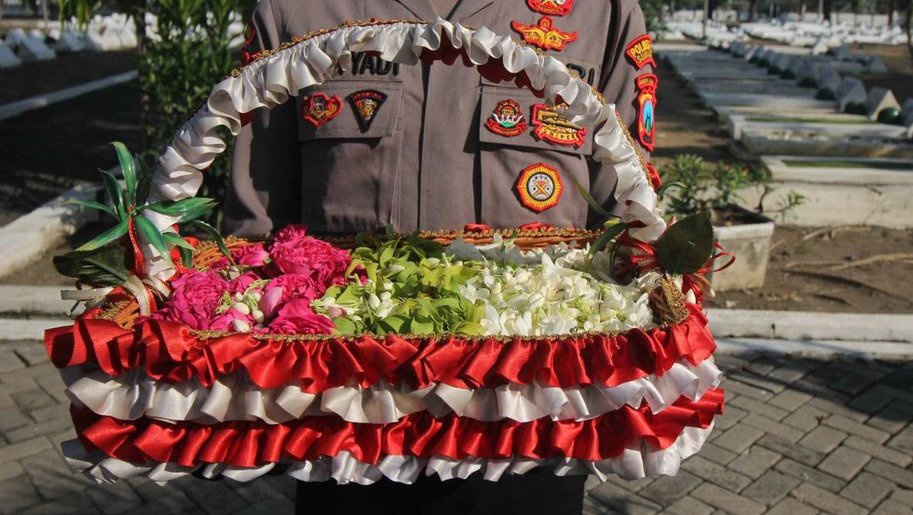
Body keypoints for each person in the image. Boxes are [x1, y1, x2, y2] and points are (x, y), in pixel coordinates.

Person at [226, 1, 658, 513]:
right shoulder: (297, 9)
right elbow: (254, 236)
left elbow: (627, 224)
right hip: (348, 431)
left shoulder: (599, 12)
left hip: (529, 432)